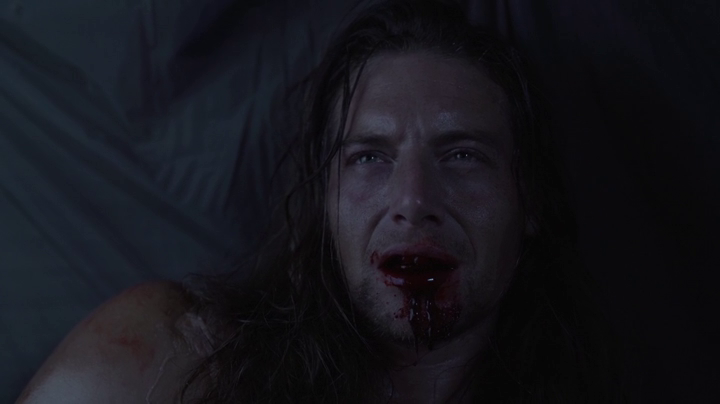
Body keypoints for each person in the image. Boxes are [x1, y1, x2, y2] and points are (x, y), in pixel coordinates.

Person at [17, 0, 629, 403]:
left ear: (531, 202)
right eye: (369, 157)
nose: (413, 200)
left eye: (462, 155)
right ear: (323, 201)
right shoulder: (170, 357)